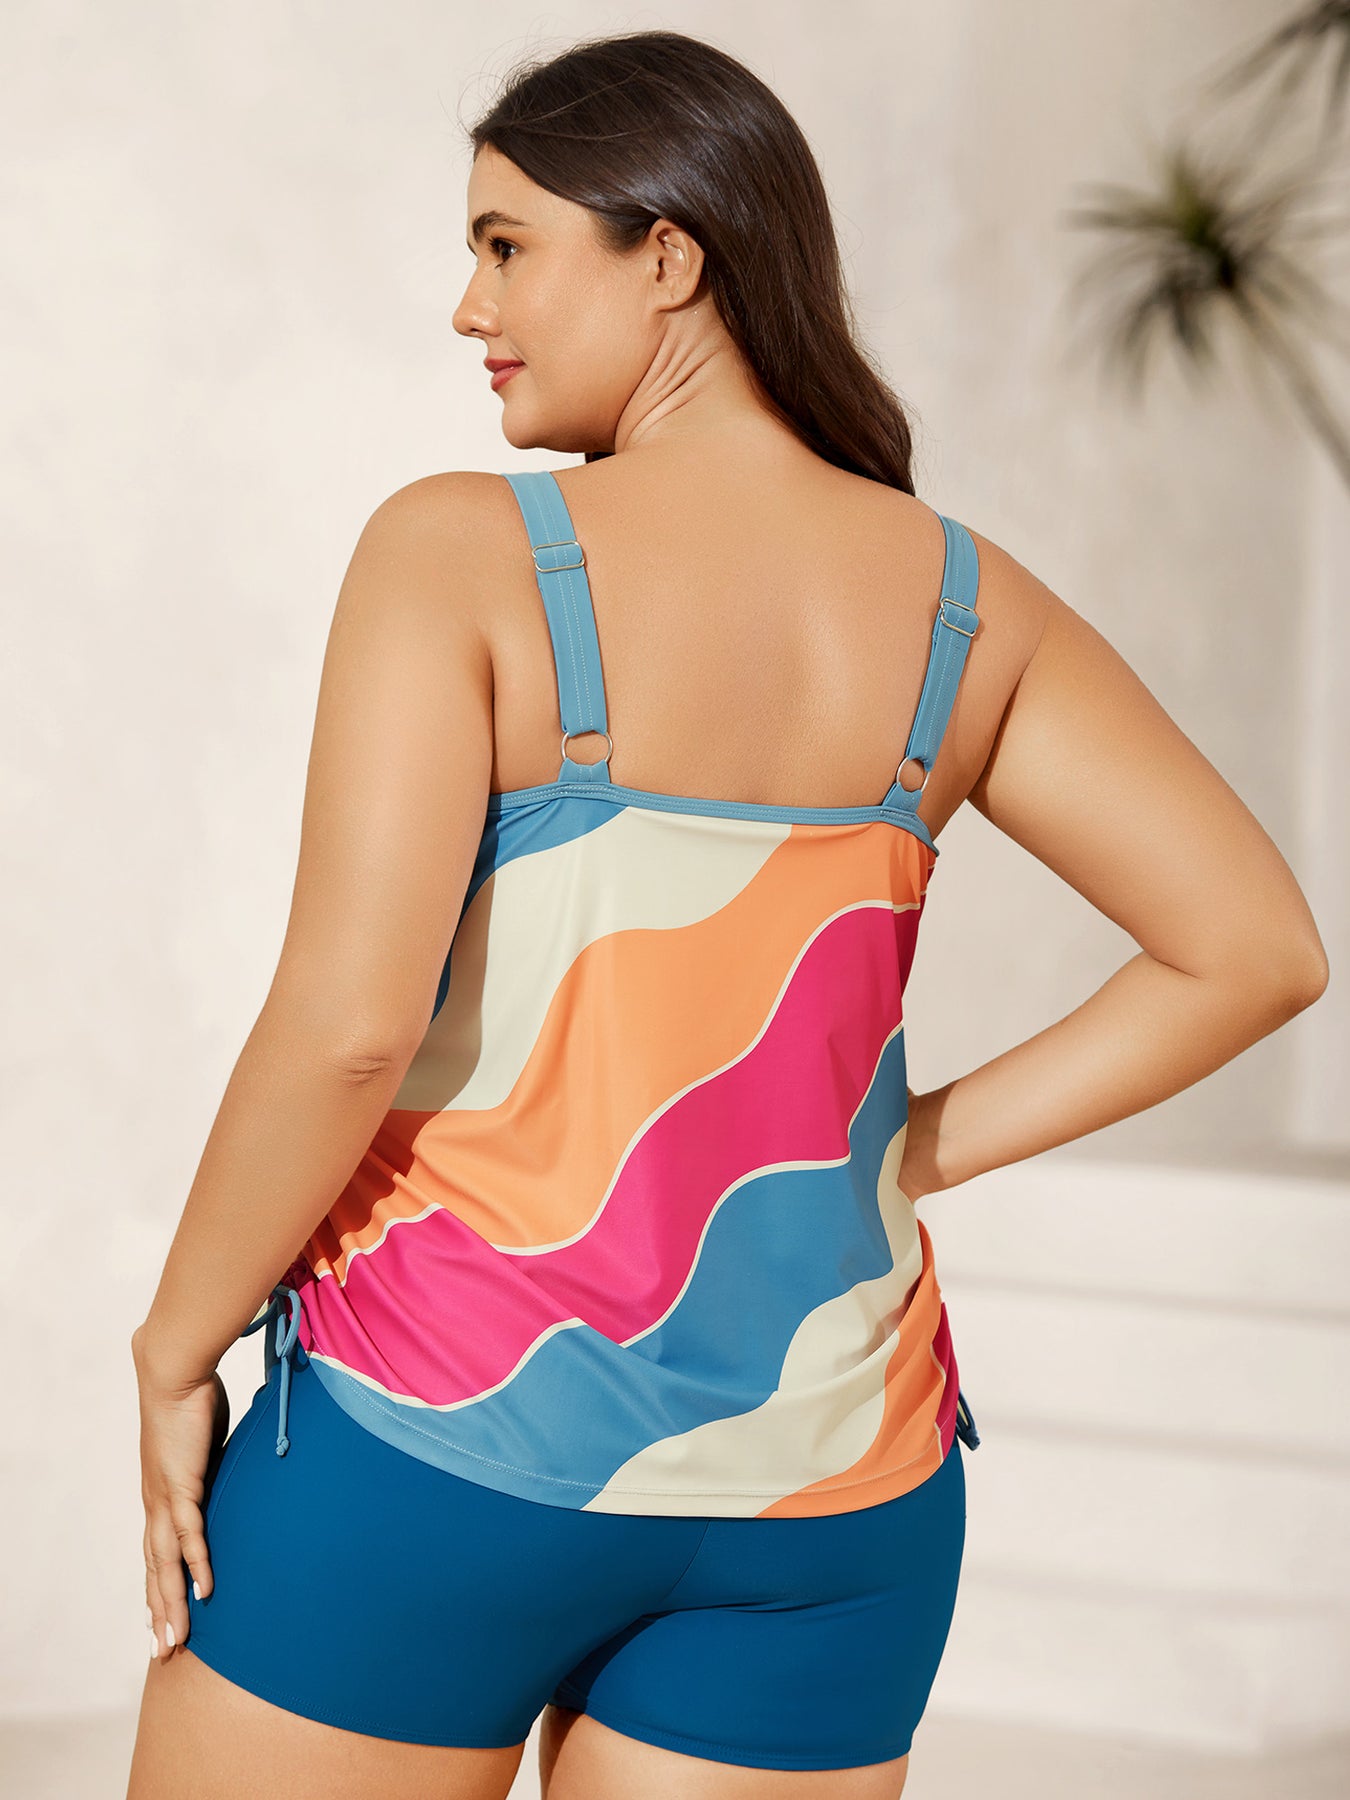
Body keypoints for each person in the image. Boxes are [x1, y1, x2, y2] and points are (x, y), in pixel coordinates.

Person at [125, 27, 1329, 1800]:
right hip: (829, 1499)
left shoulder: (458, 552)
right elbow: (1254, 950)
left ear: (670, 256)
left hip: (435, 1448)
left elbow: (348, 1029)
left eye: (507, 245)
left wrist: (174, 1346)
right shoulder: (966, 606)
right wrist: (901, 1153)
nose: (470, 307)